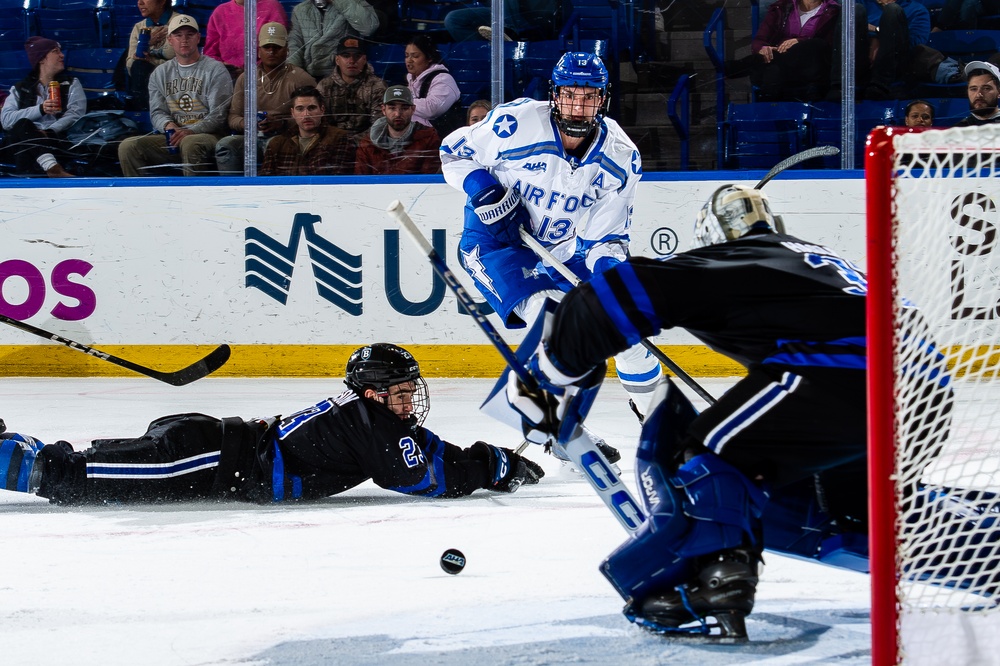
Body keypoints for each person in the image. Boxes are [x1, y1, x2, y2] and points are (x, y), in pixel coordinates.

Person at [505, 185, 953, 639]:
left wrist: (552, 371)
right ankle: (940, 537)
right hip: (928, 396)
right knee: (838, 503)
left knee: (700, 457)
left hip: (849, 379)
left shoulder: (735, 258)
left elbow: (617, 293)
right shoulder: (812, 257)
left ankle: (717, 580)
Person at [0, 343, 543, 504]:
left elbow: (426, 450)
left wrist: (497, 459)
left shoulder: (369, 417)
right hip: (206, 456)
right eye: (399, 393)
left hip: (211, 448)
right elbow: (422, 476)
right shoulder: (373, 425)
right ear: (375, 393)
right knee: (69, 478)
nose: (408, 402)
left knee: (83, 467)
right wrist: (494, 467)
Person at [438, 52, 663, 426]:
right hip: (496, 244)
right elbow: (454, 152)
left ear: (603, 99)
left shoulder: (622, 156)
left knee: (627, 330)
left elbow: (606, 237)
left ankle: (657, 420)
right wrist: (483, 187)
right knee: (556, 326)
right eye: (570, 94)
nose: (578, 106)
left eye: (589, 96)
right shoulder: (516, 123)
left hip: (562, 251)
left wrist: (609, 276)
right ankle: (559, 428)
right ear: (554, 94)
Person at [118, 14, 233, 177]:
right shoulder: (160, 73)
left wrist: (191, 131)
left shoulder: (215, 70)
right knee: (128, 146)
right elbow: (157, 112)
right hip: (174, 136)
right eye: (178, 35)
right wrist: (168, 126)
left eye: (189, 35)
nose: (184, 40)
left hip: (209, 136)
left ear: (198, 38)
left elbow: (219, 115)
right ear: (170, 40)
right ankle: (142, 199)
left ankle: (195, 197)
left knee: (190, 143)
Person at [215, 23, 316, 175]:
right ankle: (232, 190)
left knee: (276, 144)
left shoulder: (301, 78)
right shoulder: (246, 78)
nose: (271, 51)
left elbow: (315, 116)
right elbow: (233, 117)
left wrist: (282, 123)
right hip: (251, 136)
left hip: (286, 136)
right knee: (225, 145)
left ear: (287, 50)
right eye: (267, 47)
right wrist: (248, 123)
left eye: (277, 47)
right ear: (259, 51)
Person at [0, 37, 86, 178]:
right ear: (41, 59)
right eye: (55, 51)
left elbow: (76, 113)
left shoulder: (71, 83)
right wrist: (40, 109)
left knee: (26, 142)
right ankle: (52, 168)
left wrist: (50, 131)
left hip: (54, 141)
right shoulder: (20, 88)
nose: (62, 55)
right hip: (23, 140)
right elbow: (6, 120)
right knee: (23, 125)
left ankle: (27, 185)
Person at [728, 0, 841, 101]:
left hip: (812, 67)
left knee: (815, 45)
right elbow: (760, 39)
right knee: (773, 68)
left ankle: (749, 63)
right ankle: (763, 60)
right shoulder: (782, 7)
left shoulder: (833, 10)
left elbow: (829, 44)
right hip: (782, 69)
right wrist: (763, 48)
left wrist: (800, 41)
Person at [260, 84, 355, 175]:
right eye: (300, 109)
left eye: (312, 108)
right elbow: (265, 183)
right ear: (293, 113)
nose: (306, 114)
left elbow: (339, 181)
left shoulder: (340, 138)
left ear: (322, 110)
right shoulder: (277, 144)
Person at [354, 85, 441, 175]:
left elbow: (429, 181)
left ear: (413, 110)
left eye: (404, 108)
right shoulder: (368, 144)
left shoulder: (428, 138)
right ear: (383, 110)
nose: (397, 114)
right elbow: (360, 182)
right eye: (392, 108)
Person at [286, 0, 379, 80]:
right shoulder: (300, 10)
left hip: (342, 72)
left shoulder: (353, 2)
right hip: (311, 73)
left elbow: (369, 28)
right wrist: (295, 74)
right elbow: (295, 44)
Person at [316, 35, 387, 135]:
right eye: (346, 55)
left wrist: (355, 143)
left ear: (364, 59)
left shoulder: (377, 86)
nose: (352, 60)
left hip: (366, 144)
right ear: (337, 60)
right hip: (332, 142)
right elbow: (320, 123)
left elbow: (379, 125)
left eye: (357, 56)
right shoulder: (325, 86)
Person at [203, 0, 289, 80]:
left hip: (265, 76)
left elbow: (279, 49)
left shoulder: (272, 7)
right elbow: (210, 54)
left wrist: (249, 71)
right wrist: (224, 69)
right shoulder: (220, 12)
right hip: (227, 77)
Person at [864, 0, 931, 91]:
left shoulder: (917, 10)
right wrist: (873, 38)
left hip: (894, 66)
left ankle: (880, 85)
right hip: (860, 58)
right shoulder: (864, 3)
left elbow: (916, 42)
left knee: (892, 9)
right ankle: (839, 85)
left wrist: (880, 36)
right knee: (855, 10)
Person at [124, 0, 175, 111]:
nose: (140, 3)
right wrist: (147, 43)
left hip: (173, 80)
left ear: (162, 2)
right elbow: (129, 64)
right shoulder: (139, 27)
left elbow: (182, 64)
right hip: (145, 79)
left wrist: (151, 60)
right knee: (139, 66)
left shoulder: (178, 23)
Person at [405, 35, 461, 130]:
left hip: (441, 136)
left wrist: (401, 102)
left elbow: (432, 109)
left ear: (429, 57)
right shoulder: (410, 79)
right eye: (406, 56)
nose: (409, 60)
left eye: (415, 56)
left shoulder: (443, 79)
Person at [444, 0, 558, 42]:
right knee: (453, 19)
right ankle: (484, 47)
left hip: (528, 12)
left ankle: (509, 30)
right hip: (497, 10)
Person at [956, 60, 1000, 126]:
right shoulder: (959, 130)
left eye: (986, 88)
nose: (978, 94)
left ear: (999, 92)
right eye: (973, 89)